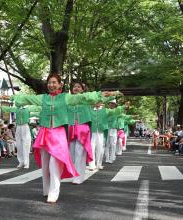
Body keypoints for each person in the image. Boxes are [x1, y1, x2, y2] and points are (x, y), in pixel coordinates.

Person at [8, 73, 116, 203]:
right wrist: (13, 96)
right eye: (49, 82)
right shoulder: (43, 98)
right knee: (45, 163)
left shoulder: (66, 98)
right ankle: (46, 190)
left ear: (60, 84)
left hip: (58, 134)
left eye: (54, 82)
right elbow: (27, 99)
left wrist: (99, 95)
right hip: (44, 132)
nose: (51, 85)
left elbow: (82, 97)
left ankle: (54, 192)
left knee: (55, 162)